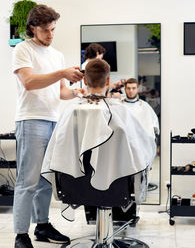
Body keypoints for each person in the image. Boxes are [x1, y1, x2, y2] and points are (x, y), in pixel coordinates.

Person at [41, 59, 156, 221]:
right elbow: (146, 146)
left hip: (75, 187)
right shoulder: (120, 111)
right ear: (108, 81)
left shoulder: (70, 112)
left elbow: (55, 154)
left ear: (84, 80)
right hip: (118, 188)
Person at [12, 4, 84, 248]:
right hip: (31, 121)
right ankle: (21, 235)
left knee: (45, 180)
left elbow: (61, 92)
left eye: (53, 29)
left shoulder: (57, 55)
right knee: (27, 181)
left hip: (54, 121)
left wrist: (77, 91)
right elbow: (30, 82)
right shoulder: (23, 49)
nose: (51, 34)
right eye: (45, 30)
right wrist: (62, 73)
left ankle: (42, 225)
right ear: (33, 28)